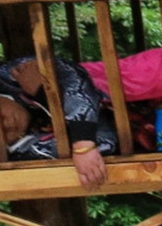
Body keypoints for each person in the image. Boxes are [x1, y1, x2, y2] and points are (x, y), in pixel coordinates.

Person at [1, 54, 116, 187]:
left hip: (117, 84)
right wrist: (45, 95)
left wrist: (77, 133)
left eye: (1, 117)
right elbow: (106, 142)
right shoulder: (27, 153)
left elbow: (67, 71)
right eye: (5, 132)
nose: (9, 123)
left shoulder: (9, 75)